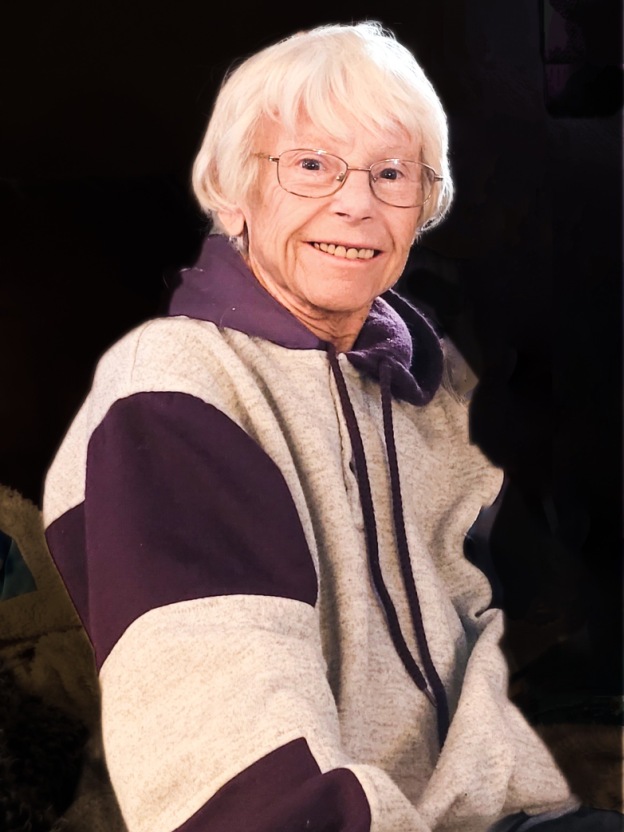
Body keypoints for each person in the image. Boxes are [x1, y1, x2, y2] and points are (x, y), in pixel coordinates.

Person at [42, 21, 621, 832]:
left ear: (424, 206)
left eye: (392, 173)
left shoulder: (431, 389)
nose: (356, 203)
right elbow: (235, 789)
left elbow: (516, 626)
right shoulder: (176, 387)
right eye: (311, 165)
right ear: (233, 191)